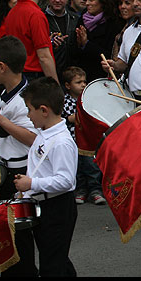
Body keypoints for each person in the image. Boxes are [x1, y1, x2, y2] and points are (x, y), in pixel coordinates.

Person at [0, 36, 39, 276]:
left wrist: (2, 122)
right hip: (5, 169)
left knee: (20, 234)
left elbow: (34, 139)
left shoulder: (26, 98)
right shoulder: (6, 92)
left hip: (20, 173)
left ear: (2, 67)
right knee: (7, 232)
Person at [15, 77, 79, 277]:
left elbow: (66, 180)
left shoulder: (61, 142)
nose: (28, 115)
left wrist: (31, 183)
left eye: (29, 110)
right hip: (43, 204)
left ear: (44, 110)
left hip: (58, 207)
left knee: (52, 265)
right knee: (55, 258)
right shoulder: (44, 132)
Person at [3, 0, 58, 83]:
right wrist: (55, 84)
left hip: (16, 74)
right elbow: (43, 56)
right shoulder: (36, 15)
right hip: (34, 76)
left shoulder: (12, 13)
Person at [60, 66, 104, 205]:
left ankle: (95, 191)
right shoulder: (64, 102)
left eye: (84, 81)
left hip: (89, 140)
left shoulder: (89, 99)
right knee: (77, 167)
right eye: (78, 82)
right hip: (73, 140)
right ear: (68, 85)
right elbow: (63, 118)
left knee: (92, 166)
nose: (83, 84)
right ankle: (80, 191)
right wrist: (69, 119)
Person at [72, 0, 123, 83]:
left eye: (91, 0)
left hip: (102, 76)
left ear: (102, 1)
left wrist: (87, 44)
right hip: (82, 75)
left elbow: (110, 53)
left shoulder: (113, 22)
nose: (87, 3)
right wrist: (79, 44)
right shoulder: (83, 17)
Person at [45, 0, 79, 80]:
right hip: (50, 74)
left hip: (72, 75)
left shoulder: (75, 19)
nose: (57, 0)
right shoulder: (41, 18)